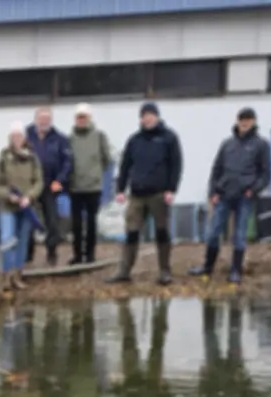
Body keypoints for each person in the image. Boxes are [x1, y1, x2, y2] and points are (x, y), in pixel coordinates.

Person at [190, 107, 271, 284]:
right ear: (237, 121)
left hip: (244, 196)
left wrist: (253, 190)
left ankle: (236, 270)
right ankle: (207, 266)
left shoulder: (261, 145)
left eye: (248, 119)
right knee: (213, 232)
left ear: (254, 122)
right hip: (224, 195)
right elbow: (216, 169)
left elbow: (265, 175)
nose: (244, 122)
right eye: (242, 119)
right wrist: (213, 191)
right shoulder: (227, 144)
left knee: (239, 235)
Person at [108, 102, 182, 285]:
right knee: (131, 232)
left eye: (150, 115)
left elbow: (176, 165)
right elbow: (125, 166)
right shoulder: (134, 140)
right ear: (140, 118)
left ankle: (165, 271)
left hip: (159, 194)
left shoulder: (169, 138)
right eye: (144, 115)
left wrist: (171, 189)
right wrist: (120, 189)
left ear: (157, 116)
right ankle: (124, 271)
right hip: (137, 195)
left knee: (161, 232)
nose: (147, 118)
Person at [0, 122, 44, 294]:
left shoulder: (32, 158)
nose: (17, 139)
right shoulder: (3, 157)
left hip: (27, 207)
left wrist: (29, 196)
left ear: (24, 138)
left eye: (19, 136)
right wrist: (9, 195)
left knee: (22, 241)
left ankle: (18, 275)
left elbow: (39, 181)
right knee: (7, 239)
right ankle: (6, 275)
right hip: (8, 206)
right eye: (14, 136)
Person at [24, 107, 72, 267]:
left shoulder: (60, 138)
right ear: (35, 119)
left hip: (50, 185)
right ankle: (27, 255)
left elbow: (67, 162)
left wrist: (60, 180)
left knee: (52, 221)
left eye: (47, 119)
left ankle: (51, 251)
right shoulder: (25, 136)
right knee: (27, 220)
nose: (44, 121)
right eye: (41, 118)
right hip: (30, 186)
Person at [66, 102, 113, 265]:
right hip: (75, 187)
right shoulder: (69, 138)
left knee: (92, 222)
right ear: (75, 119)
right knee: (76, 224)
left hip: (93, 187)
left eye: (84, 117)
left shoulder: (99, 136)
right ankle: (78, 254)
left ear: (89, 118)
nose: (81, 120)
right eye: (78, 117)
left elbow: (107, 159)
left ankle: (91, 254)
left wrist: (96, 174)